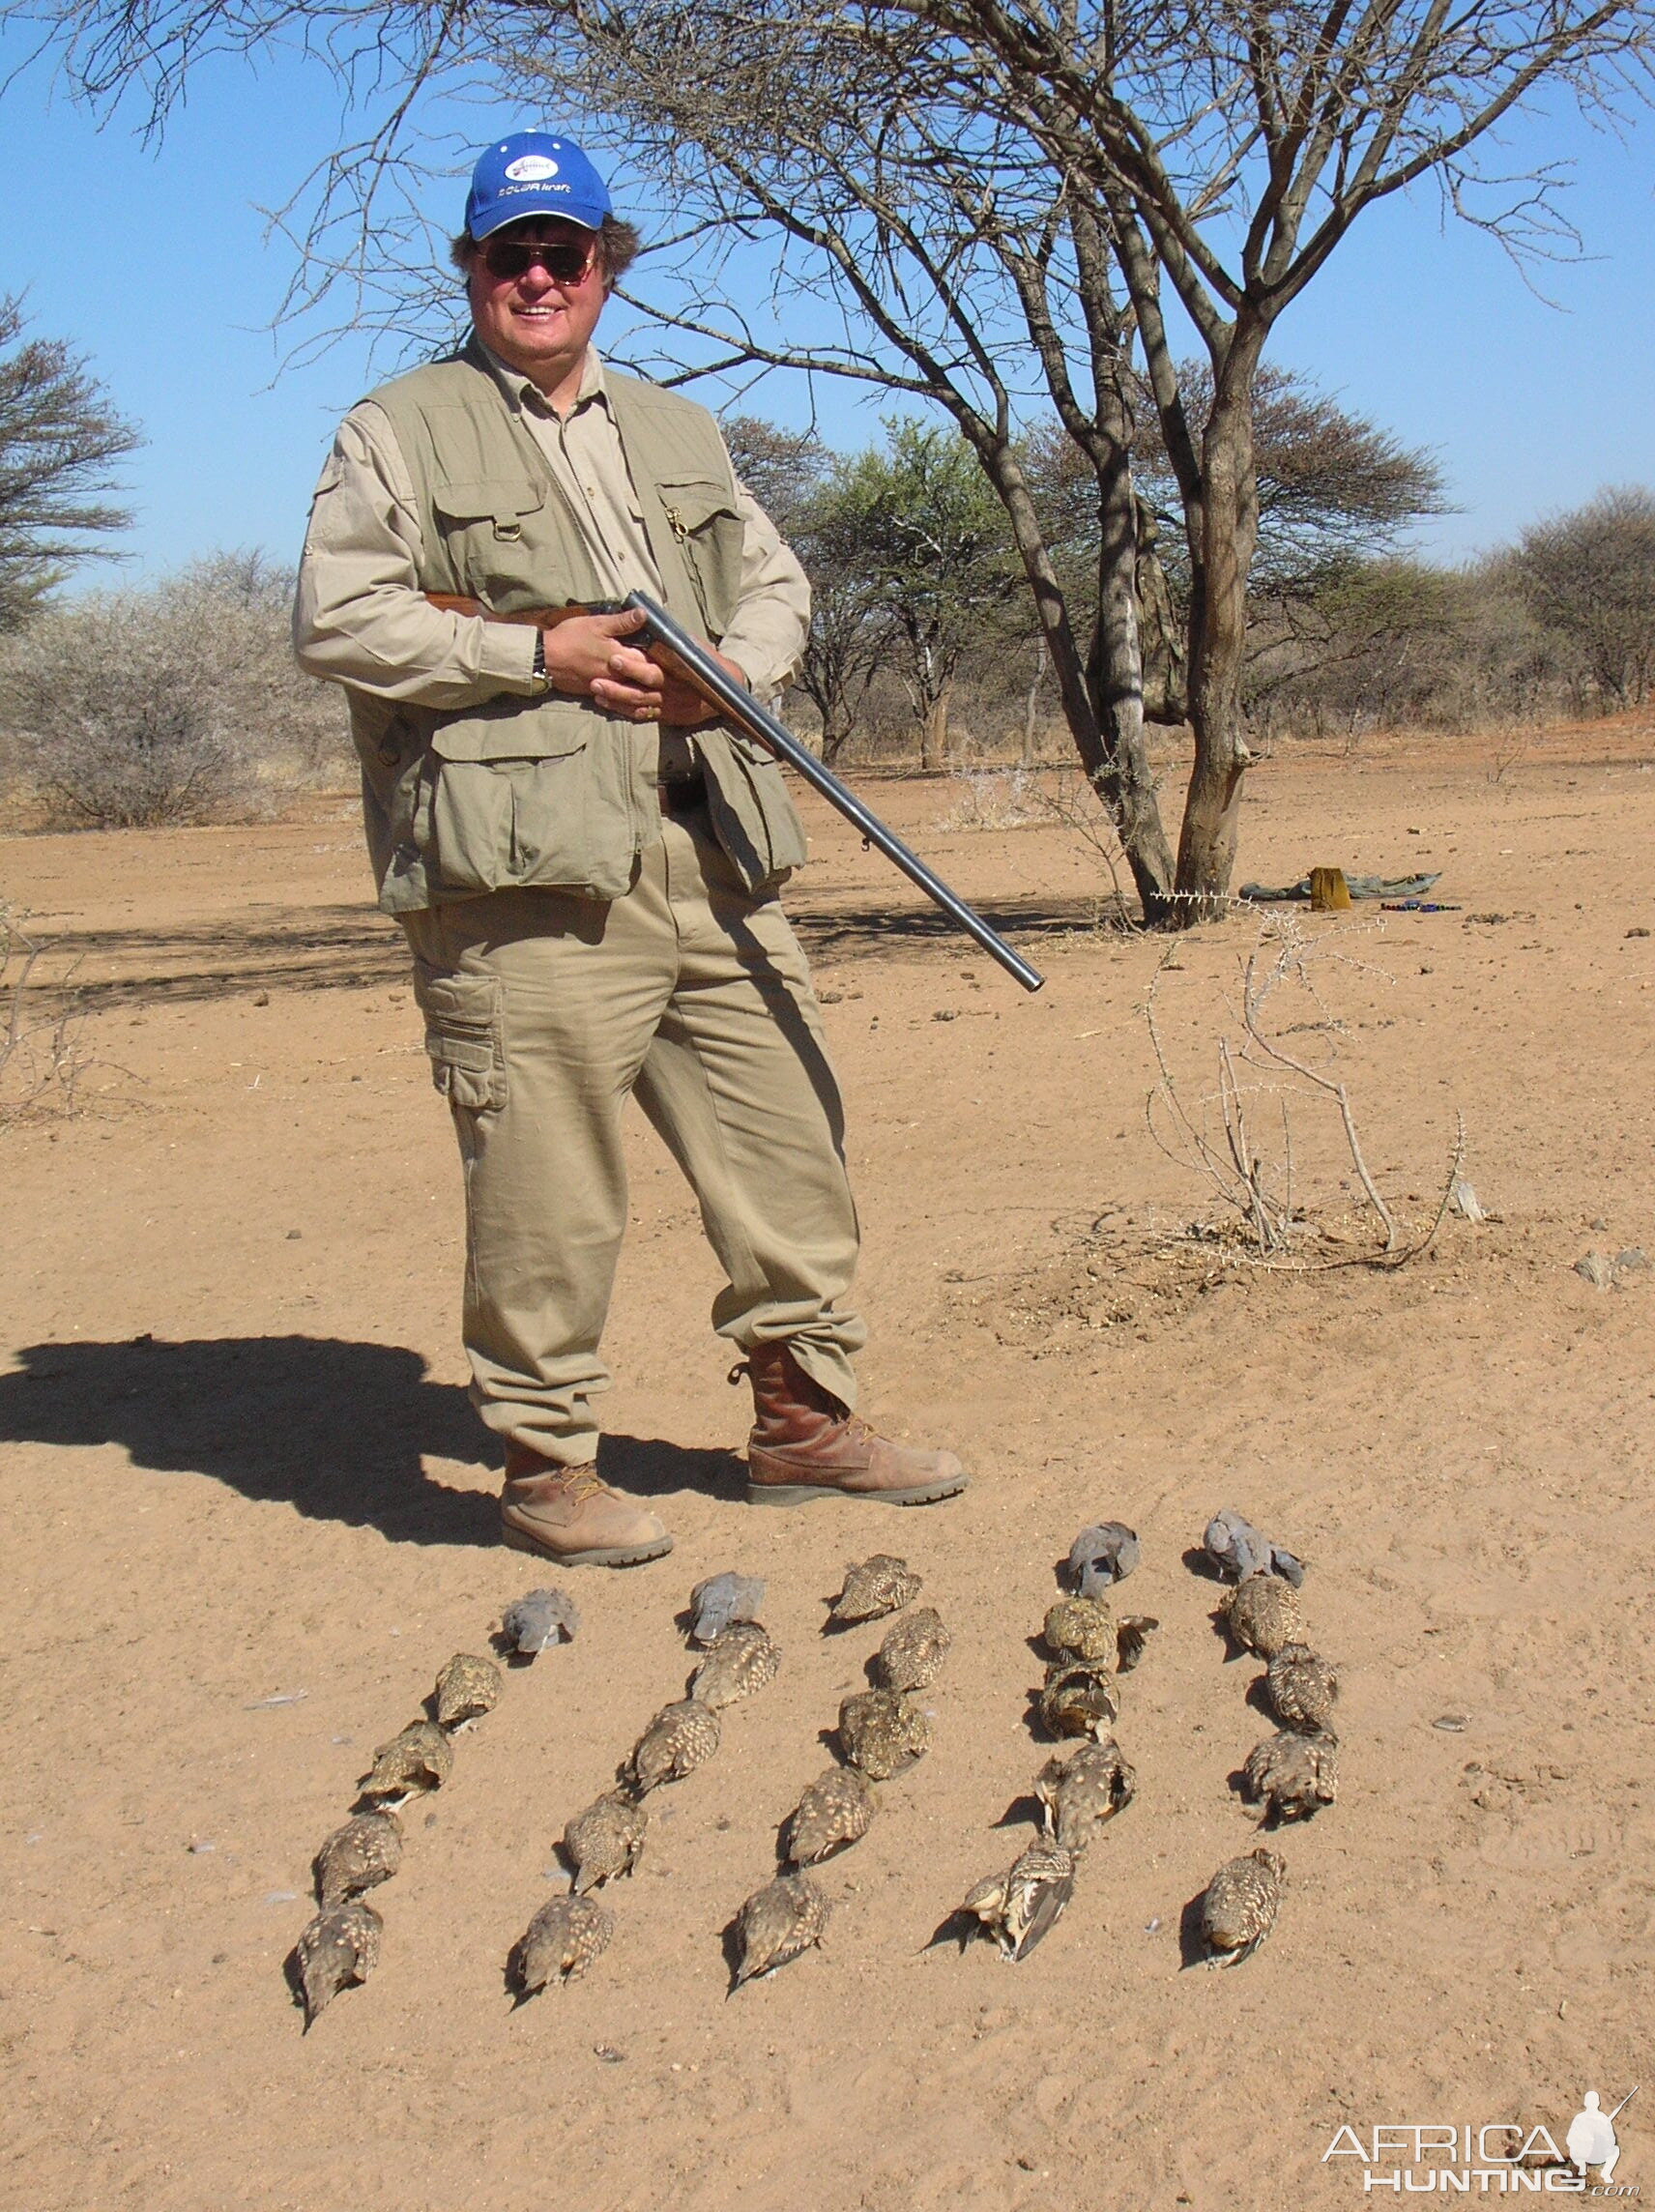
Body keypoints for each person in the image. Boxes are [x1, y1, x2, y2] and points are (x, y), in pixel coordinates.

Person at [294, 129, 968, 1567]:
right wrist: (537, 651)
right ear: (470, 268)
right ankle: (547, 1468)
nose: (538, 276)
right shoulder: (397, 428)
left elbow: (776, 581)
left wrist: (734, 667)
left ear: (607, 268)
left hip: (706, 848)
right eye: (510, 253)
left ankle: (803, 1421)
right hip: (523, 876)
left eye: (566, 252)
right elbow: (338, 619)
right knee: (546, 1182)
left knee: (794, 1141)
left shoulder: (678, 427)